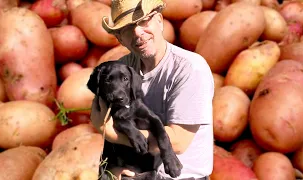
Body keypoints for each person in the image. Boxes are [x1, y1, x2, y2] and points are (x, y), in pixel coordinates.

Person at [90, 0, 214, 179]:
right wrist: (113, 170)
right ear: (120, 39)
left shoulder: (190, 68)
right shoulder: (121, 69)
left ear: (160, 21)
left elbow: (178, 142)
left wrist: (111, 134)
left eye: (143, 21)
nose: (138, 33)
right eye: (127, 29)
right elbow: (100, 113)